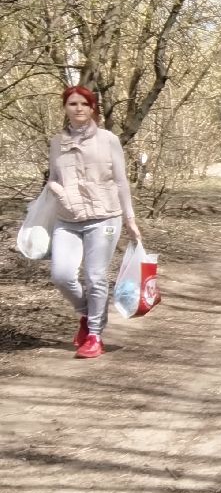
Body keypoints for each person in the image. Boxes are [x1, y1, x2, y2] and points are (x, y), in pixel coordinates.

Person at [46, 84, 143, 359]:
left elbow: (122, 181)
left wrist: (130, 219)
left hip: (105, 217)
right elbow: (53, 178)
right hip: (68, 218)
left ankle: (94, 335)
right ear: (65, 108)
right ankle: (86, 313)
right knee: (62, 275)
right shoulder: (57, 142)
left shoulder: (108, 139)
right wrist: (59, 192)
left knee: (95, 277)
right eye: (72, 104)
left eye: (84, 104)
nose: (78, 109)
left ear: (92, 109)